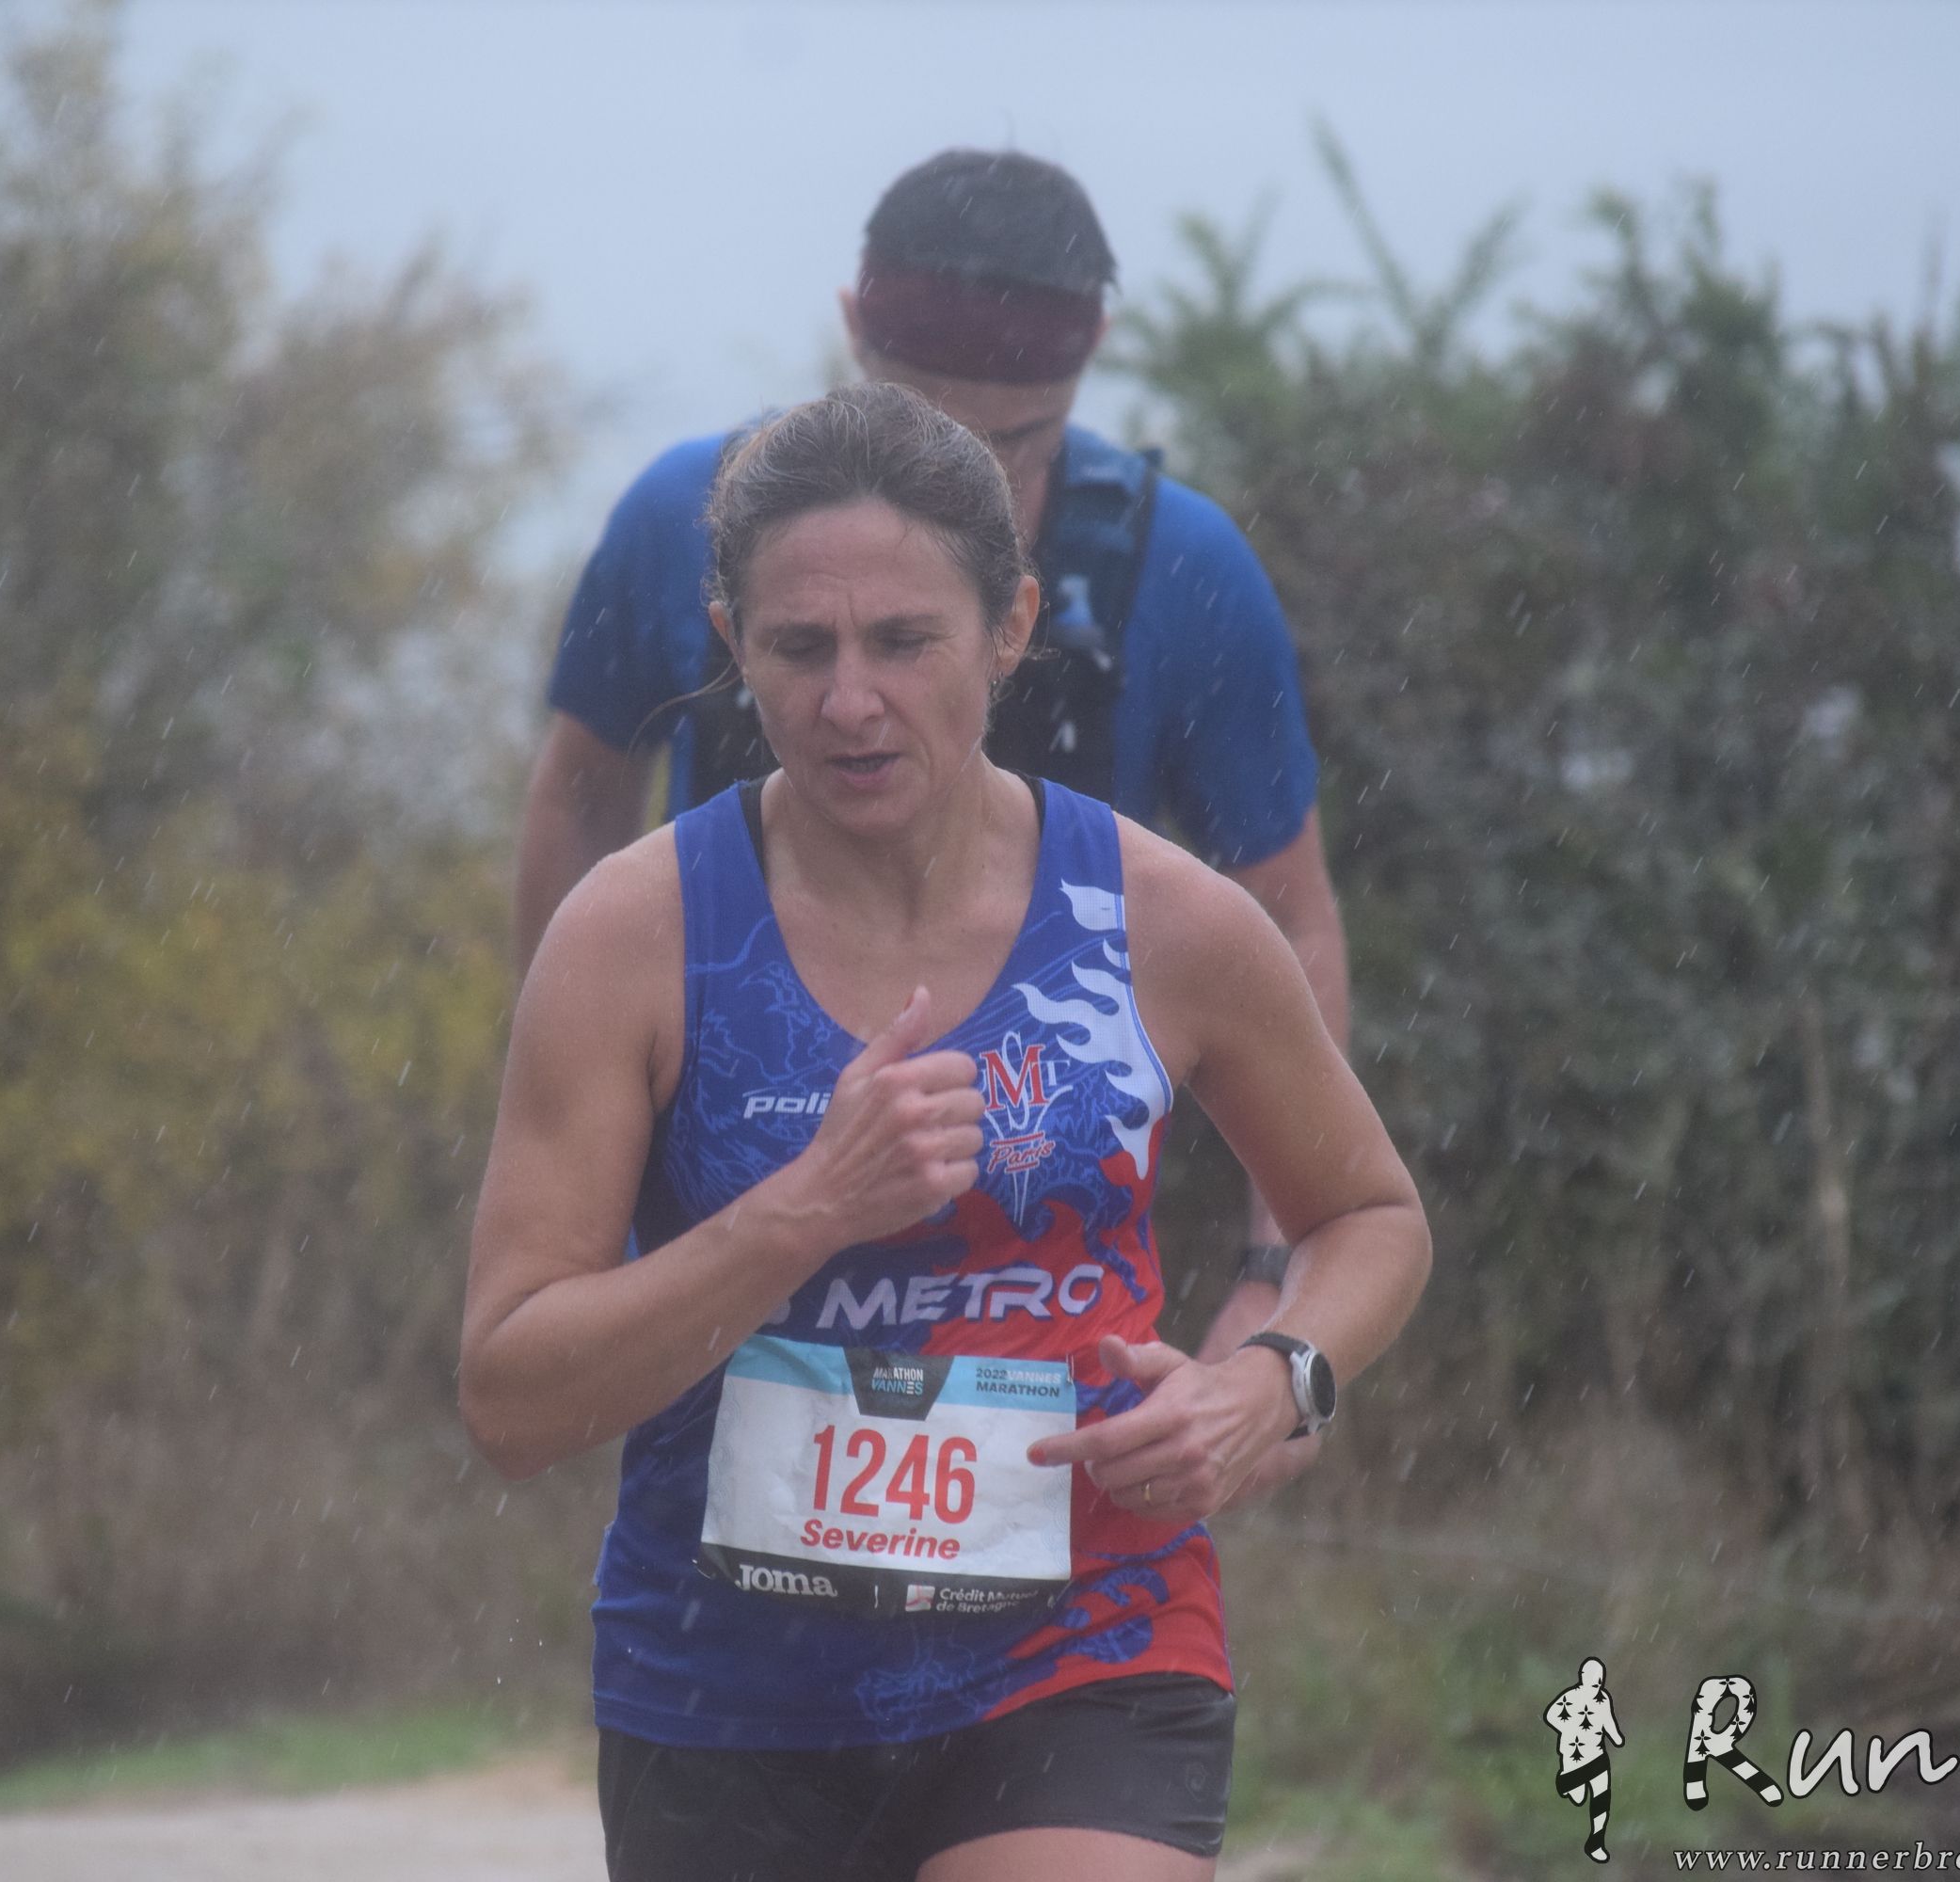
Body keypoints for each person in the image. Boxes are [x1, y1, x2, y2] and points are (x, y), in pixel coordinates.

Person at [464, 385, 1430, 1881]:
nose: (851, 701)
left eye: (904, 642)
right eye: (801, 648)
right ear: (731, 644)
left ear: (1010, 626)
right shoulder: (635, 936)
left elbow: (1369, 1217)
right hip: (723, 1690)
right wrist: (803, 1212)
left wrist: (1274, 1382)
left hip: (1086, 1648)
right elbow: (513, 1396)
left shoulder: (1162, 920)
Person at [516, 149, 1353, 1379]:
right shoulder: (686, 521)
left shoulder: (1185, 569)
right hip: (730, 1211)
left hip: (1056, 1203)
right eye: (803, 645)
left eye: (1014, 443)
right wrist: (575, 1110)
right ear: (852, 330)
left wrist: (1272, 1286)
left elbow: (1288, 912)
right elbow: (582, 797)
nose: (969, 485)